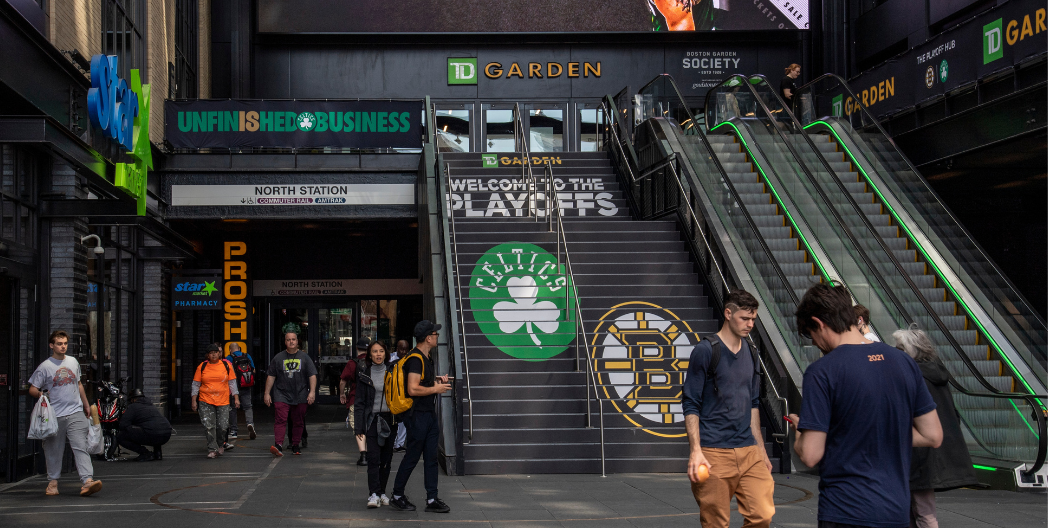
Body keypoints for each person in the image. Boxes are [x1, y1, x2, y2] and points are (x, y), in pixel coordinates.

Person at [788, 283, 943, 528]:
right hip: (895, 510)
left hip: (844, 509)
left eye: (811, 334)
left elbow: (810, 454)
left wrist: (800, 434)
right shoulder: (903, 362)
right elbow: (933, 435)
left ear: (819, 323)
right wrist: (882, 428)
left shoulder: (822, 371)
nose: (815, 342)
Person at [681, 290, 774, 528]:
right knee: (716, 524)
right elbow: (691, 403)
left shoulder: (752, 353)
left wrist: (761, 449)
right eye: (745, 318)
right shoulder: (706, 350)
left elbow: (753, 403)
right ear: (728, 313)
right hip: (714, 453)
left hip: (749, 451)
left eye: (753, 319)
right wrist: (695, 450)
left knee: (762, 515)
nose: (750, 324)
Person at [893, 327, 977, 528]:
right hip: (932, 450)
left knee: (920, 511)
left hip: (918, 452)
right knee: (922, 508)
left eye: (899, 348)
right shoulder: (936, 373)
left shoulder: (914, 377)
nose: (894, 352)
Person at [28, 330, 102, 496]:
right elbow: (33, 388)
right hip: (54, 415)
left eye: (65, 343)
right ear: (51, 345)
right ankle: (53, 483)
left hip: (75, 412)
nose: (63, 347)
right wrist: (41, 395)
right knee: (54, 449)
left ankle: (87, 481)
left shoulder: (73, 362)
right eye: (59, 344)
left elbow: (79, 384)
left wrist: (85, 404)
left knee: (81, 446)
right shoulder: (45, 366)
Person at [389, 320, 452, 513]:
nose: (437, 337)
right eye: (436, 334)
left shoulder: (426, 358)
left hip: (428, 415)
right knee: (412, 456)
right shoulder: (416, 359)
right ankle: (397, 495)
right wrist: (436, 388)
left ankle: (432, 499)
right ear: (428, 337)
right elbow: (413, 388)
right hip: (417, 416)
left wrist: (435, 381)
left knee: (431, 458)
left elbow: (421, 382)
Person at [265, 328, 317, 456]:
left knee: (298, 420)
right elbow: (271, 376)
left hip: (300, 394)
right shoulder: (278, 358)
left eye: (293, 339)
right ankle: (278, 445)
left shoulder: (305, 358)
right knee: (280, 419)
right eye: (288, 340)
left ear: (297, 341)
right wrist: (267, 393)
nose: (291, 342)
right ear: (285, 342)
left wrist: (312, 392)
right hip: (281, 394)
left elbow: (312, 375)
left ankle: (295, 445)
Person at [356, 341, 395, 508]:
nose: (378, 354)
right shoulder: (364, 374)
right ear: (369, 355)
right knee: (373, 458)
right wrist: (359, 427)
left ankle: (382, 492)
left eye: (381, 351)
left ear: (385, 353)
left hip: (390, 419)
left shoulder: (393, 372)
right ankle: (373, 493)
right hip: (372, 420)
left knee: (386, 459)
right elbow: (359, 403)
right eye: (374, 351)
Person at [193, 344, 239, 458]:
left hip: (223, 400)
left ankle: (220, 444)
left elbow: (232, 383)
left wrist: (236, 397)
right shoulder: (202, 367)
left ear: (219, 354)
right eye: (211, 353)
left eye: (216, 352)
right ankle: (212, 449)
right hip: (205, 400)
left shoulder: (226, 365)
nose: (214, 354)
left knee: (222, 426)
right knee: (209, 426)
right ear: (208, 355)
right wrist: (194, 400)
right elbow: (195, 384)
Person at [117, 389, 172, 461]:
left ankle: (145, 453)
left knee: (121, 437)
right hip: (166, 433)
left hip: (153, 433)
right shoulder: (150, 405)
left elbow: (123, 425)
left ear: (133, 399)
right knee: (153, 427)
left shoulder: (133, 407)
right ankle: (157, 454)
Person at [340, 337, 371, 465]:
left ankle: (363, 455)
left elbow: (343, 381)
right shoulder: (373, 362)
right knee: (370, 424)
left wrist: (342, 394)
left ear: (357, 348)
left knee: (358, 426)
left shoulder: (352, 363)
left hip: (355, 398)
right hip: (371, 398)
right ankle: (371, 453)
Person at [227, 343, 257, 440]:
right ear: (239, 348)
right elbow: (254, 370)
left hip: (234, 387)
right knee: (248, 407)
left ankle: (234, 431)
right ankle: (250, 424)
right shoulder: (247, 356)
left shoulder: (229, 358)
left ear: (230, 350)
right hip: (246, 386)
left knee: (233, 409)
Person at [392, 339, 410, 451]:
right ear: (397, 349)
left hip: (405, 394)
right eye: (401, 349)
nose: (403, 352)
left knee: (403, 420)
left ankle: (399, 444)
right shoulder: (390, 359)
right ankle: (393, 442)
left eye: (405, 349)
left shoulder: (410, 359)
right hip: (393, 394)